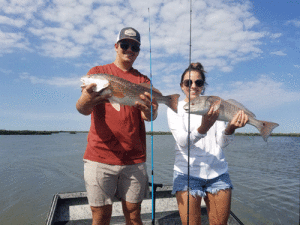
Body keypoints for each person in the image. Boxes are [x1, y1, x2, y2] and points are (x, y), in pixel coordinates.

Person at [76, 27, 158, 225]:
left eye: (135, 47)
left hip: (134, 159)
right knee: (100, 216)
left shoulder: (143, 80)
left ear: (138, 52)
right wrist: (88, 96)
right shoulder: (97, 73)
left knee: (133, 214)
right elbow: (82, 108)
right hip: (99, 157)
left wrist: (148, 110)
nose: (129, 49)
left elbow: (151, 116)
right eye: (125, 45)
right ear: (116, 46)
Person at [167, 62, 248, 225]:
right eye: (188, 82)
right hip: (186, 174)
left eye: (198, 82)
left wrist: (231, 128)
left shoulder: (215, 107)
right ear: (182, 86)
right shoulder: (175, 108)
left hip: (218, 173)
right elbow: (182, 141)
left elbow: (221, 143)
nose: (193, 86)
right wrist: (203, 127)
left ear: (203, 86)